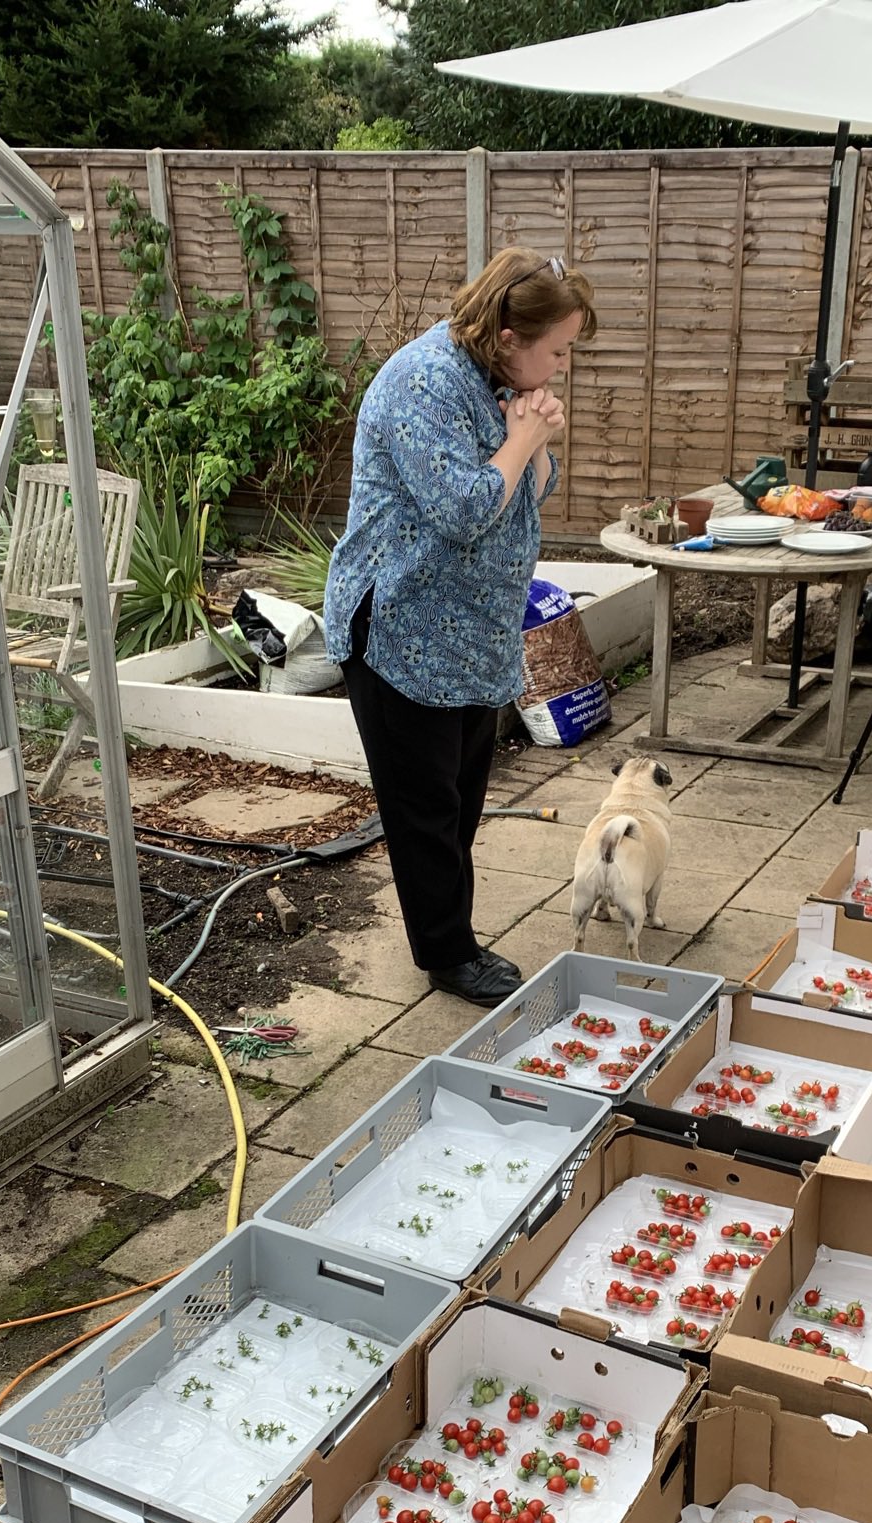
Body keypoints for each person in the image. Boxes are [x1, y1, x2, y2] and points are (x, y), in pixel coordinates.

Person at [324, 248, 596, 1006]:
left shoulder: (497, 377)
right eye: (558, 350)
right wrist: (524, 440)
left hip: (471, 634)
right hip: (401, 633)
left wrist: (529, 442)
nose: (562, 367)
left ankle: (452, 932)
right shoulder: (424, 384)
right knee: (426, 810)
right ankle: (447, 953)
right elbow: (467, 511)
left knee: (462, 798)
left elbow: (529, 492)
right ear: (511, 336)